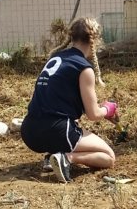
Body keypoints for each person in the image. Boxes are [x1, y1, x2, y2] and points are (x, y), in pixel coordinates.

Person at [20, 17, 117, 183]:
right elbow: (93, 114)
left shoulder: (55, 58)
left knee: (66, 126)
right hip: (57, 130)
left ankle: (52, 156)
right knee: (108, 157)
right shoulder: (84, 68)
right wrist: (108, 109)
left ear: (71, 37)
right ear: (96, 40)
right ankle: (66, 157)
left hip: (29, 130)